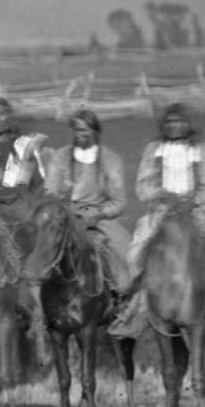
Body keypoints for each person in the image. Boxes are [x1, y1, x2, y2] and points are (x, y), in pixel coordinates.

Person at [113, 103, 205, 337]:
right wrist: (162, 196)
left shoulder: (202, 148)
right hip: (162, 210)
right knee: (136, 253)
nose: (175, 126)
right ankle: (136, 311)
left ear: (188, 124)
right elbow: (143, 185)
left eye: (180, 121)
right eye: (170, 122)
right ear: (163, 125)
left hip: (197, 210)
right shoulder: (153, 149)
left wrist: (194, 199)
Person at [41, 107, 128, 293]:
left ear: (95, 132)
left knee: (125, 268)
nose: (79, 134)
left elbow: (119, 201)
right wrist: (61, 210)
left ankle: (121, 301)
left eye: (84, 130)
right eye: (76, 129)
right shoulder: (61, 157)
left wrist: (98, 214)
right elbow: (50, 192)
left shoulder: (111, 160)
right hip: (64, 217)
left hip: (98, 218)